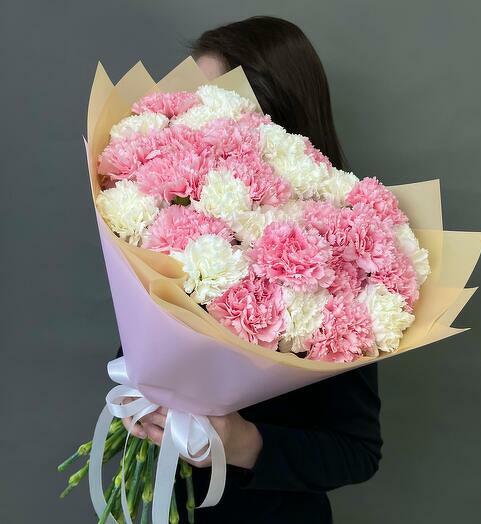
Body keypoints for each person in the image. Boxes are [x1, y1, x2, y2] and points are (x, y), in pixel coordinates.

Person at [118, 15, 382, 524]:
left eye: (218, 101)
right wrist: (138, 389)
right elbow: (139, 342)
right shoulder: (171, 211)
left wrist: (244, 443)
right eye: (194, 99)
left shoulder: (347, 251)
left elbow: (357, 451)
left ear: (275, 117)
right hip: (162, 503)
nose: (196, 116)